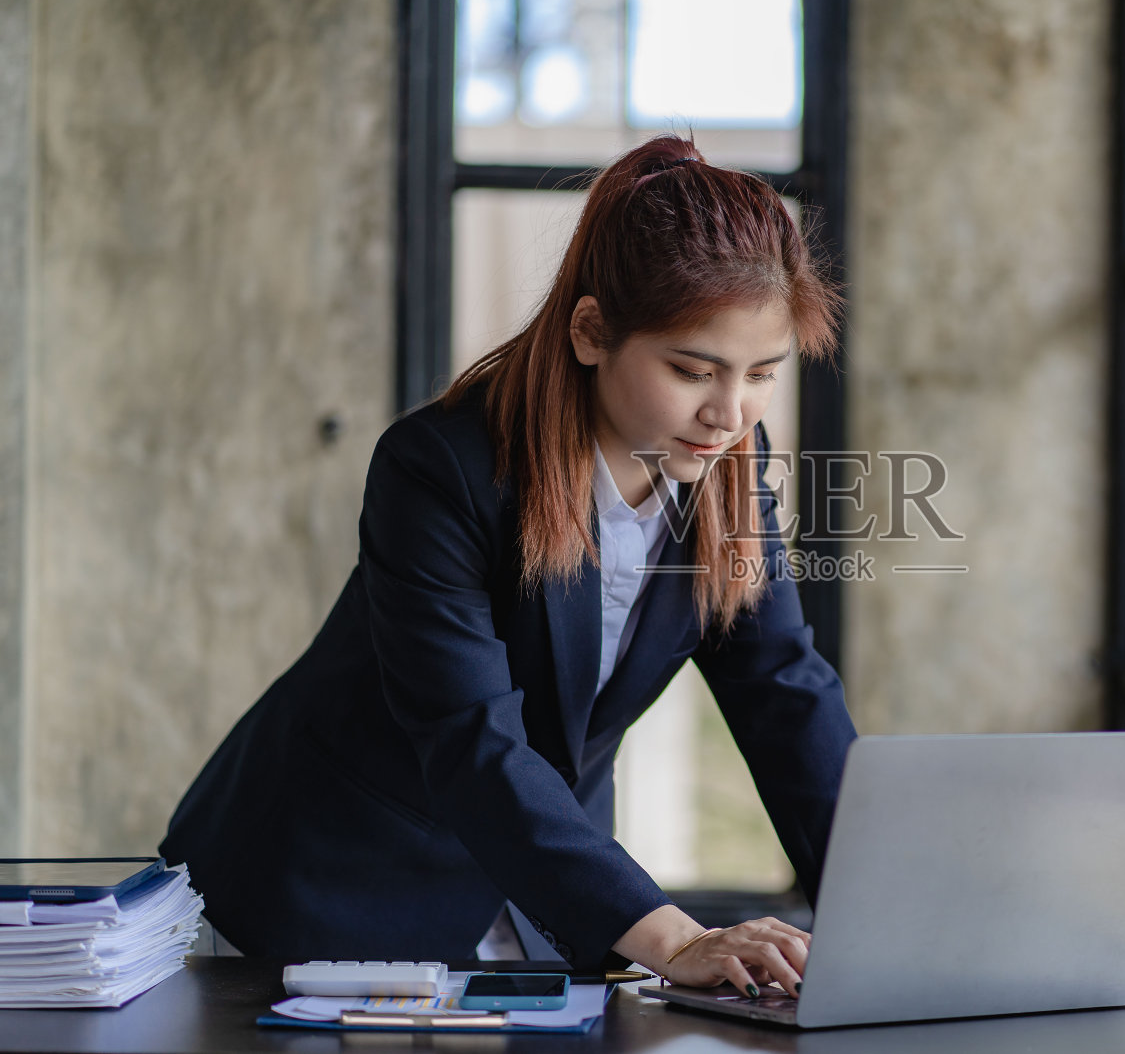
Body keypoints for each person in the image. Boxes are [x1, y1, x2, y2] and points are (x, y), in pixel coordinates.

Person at [160, 135, 856, 999]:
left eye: (762, 374)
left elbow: (784, 691)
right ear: (592, 331)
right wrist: (676, 938)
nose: (729, 412)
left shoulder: (721, 466)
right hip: (333, 895)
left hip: (550, 910)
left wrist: (888, 922)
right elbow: (471, 738)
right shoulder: (440, 469)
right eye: (691, 369)